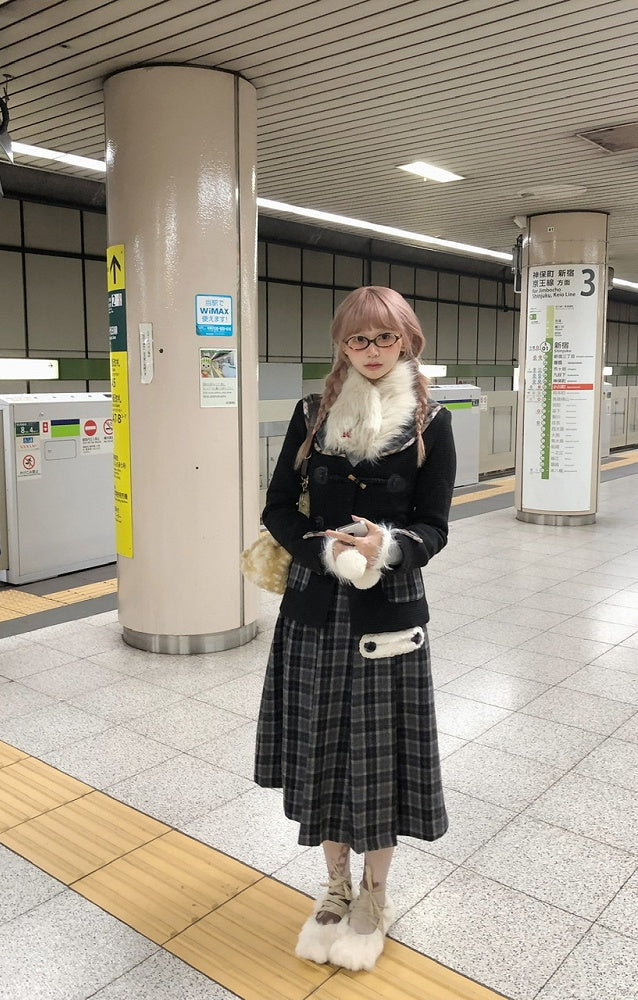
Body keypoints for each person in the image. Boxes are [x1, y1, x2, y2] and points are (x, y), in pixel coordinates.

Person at [254, 285, 456, 972]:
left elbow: (435, 527)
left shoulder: (431, 421)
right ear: (342, 344)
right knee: (321, 754)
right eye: (358, 339)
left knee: (378, 762)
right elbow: (279, 506)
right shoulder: (312, 414)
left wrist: (387, 546)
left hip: (388, 612)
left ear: (408, 340)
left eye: (385, 338)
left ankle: (374, 895)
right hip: (314, 609)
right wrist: (325, 550)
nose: (372, 351)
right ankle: (335, 887)